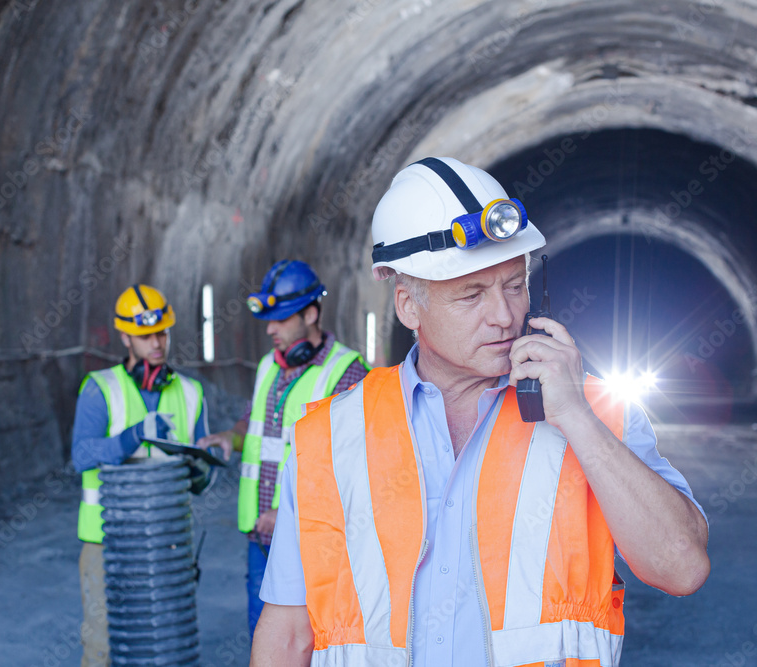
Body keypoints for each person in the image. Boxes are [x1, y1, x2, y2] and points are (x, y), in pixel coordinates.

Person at [252, 158, 710, 666]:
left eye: (514, 285)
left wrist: (577, 418)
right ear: (408, 306)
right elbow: (288, 635)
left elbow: (682, 568)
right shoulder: (329, 438)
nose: (505, 316)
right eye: (471, 294)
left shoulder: (599, 413)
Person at [198, 260, 369, 639]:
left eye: (280, 319)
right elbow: (252, 422)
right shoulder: (268, 367)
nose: (270, 329)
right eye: (268, 320)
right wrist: (231, 437)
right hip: (260, 540)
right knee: (266, 638)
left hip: (315, 543)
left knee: (312, 641)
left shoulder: (347, 372)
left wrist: (291, 513)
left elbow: (356, 466)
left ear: (310, 314)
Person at [71, 284, 225, 667]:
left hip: (167, 541)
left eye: (162, 333)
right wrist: (133, 436)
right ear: (125, 337)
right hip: (108, 542)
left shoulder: (190, 392)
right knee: (105, 646)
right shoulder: (100, 389)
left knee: (165, 645)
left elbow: (200, 481)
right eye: (145, 336)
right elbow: (82, 456)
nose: (157, 343)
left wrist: (204, 466)